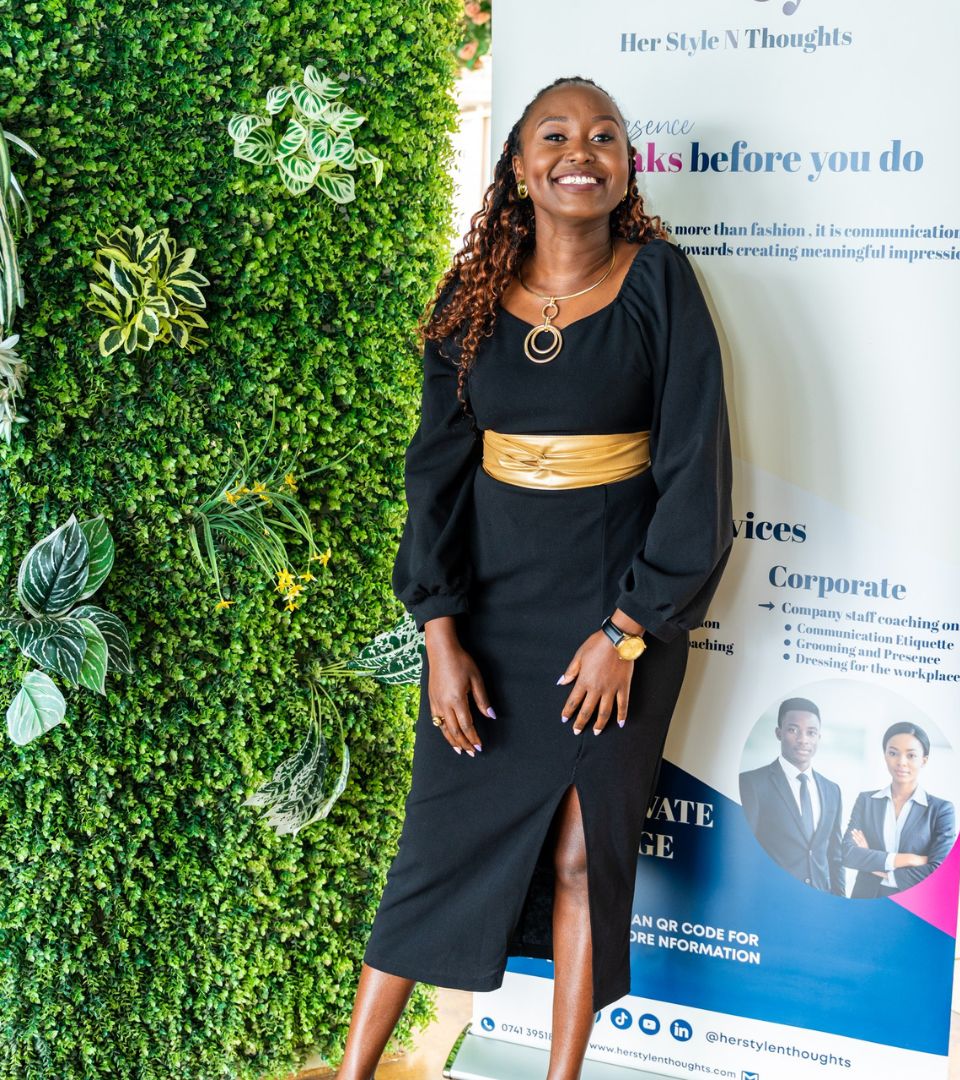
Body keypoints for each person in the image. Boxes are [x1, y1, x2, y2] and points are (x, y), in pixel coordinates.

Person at [335, 76, 734, 1080]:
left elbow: (697, 471)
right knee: (435, 847)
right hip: (489, 616)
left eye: (605, 136)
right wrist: (439, 635)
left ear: (627, 166)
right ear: (518, 166)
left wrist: (627, 632)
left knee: (580, 855)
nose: (580, 152)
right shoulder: (468, 299)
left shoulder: (660, 281)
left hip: (614, 615)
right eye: (554, 135)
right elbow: (434, 477)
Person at [738, 698, 845, 895]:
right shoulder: (751, 783)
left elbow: (835, 856)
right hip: (772, 898)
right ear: (779, 733)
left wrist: (839, 904)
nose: (803, 739)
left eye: (811, 732)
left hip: (819, 901)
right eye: (793, 730)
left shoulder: (832, 790)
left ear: (819, 737)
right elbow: (743, 851)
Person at [842, 721, 957, 899]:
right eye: (893, 753)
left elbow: (938, 870)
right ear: (885, 756)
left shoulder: (941, 810)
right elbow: (847, 854)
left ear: (924, 760)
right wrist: (908, 859)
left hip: (914, 904)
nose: (901, 762)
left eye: (911, 755)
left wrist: (874, 865)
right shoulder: (866, 801)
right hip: (864, 900)